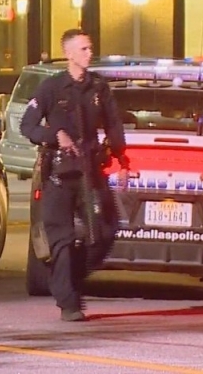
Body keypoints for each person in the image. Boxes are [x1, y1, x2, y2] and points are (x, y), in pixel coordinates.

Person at [19, 28, 130, 322]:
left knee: (104, 232)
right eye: (83, 49)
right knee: (62, 240)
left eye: (90, 48)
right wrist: (54, 136)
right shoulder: (50, 88)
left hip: (90, 173)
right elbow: (27, 126)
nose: (89, 53)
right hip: (58, 175)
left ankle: (70, 280)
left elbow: (114, 125)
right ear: (68, 54)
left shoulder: (98, 88)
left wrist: (123, 161)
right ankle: (68, 303)